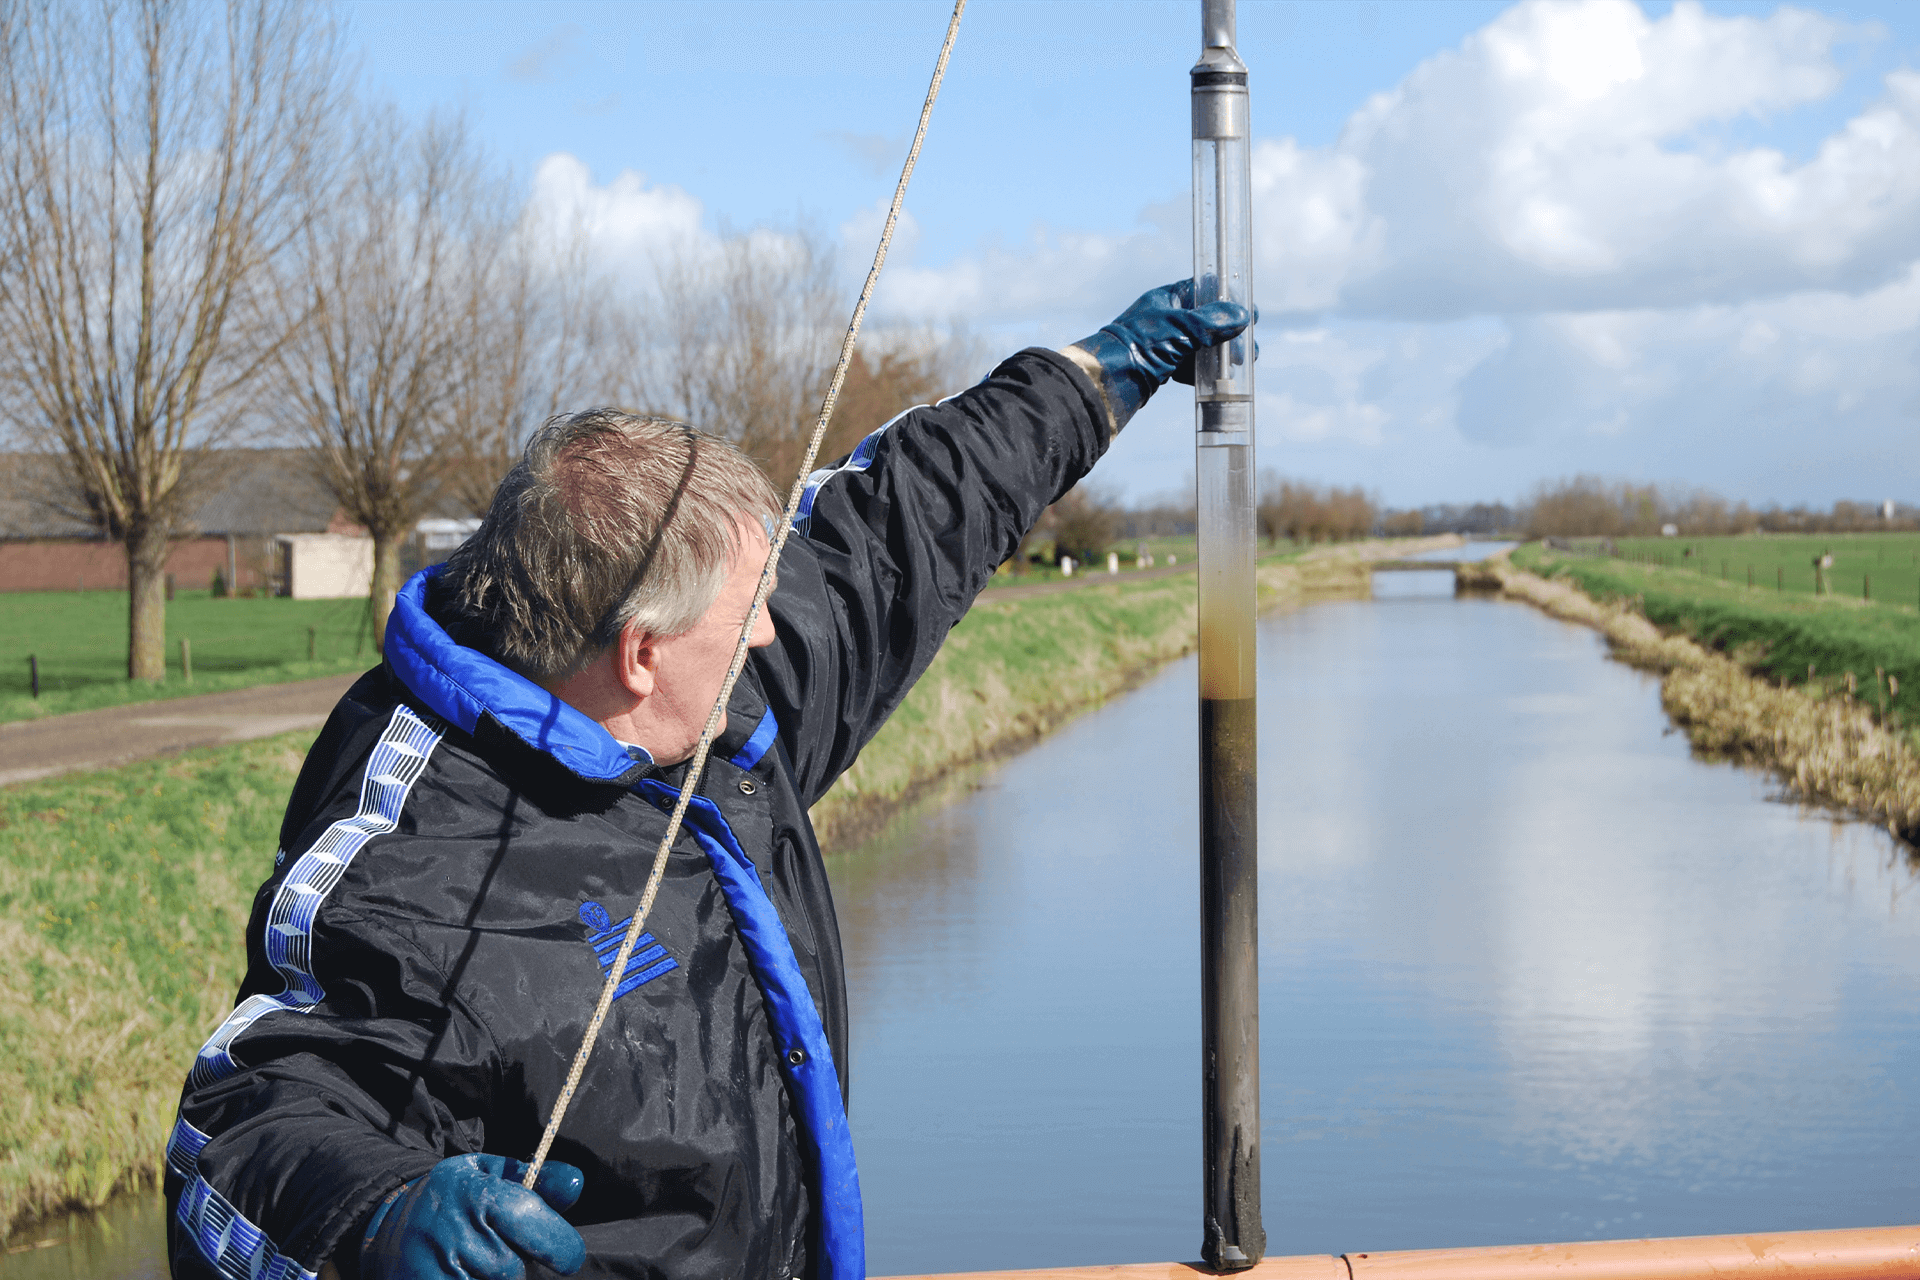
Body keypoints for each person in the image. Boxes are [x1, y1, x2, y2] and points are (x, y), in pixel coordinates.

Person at [165, 282, 1250, 1280]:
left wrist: (1095, 375)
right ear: (641, 652)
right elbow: (243, 1129)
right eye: (749, 615)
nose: (771, 633)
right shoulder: (412, 861)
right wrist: (373, 1217)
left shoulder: (700, 698)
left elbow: (896, 529)